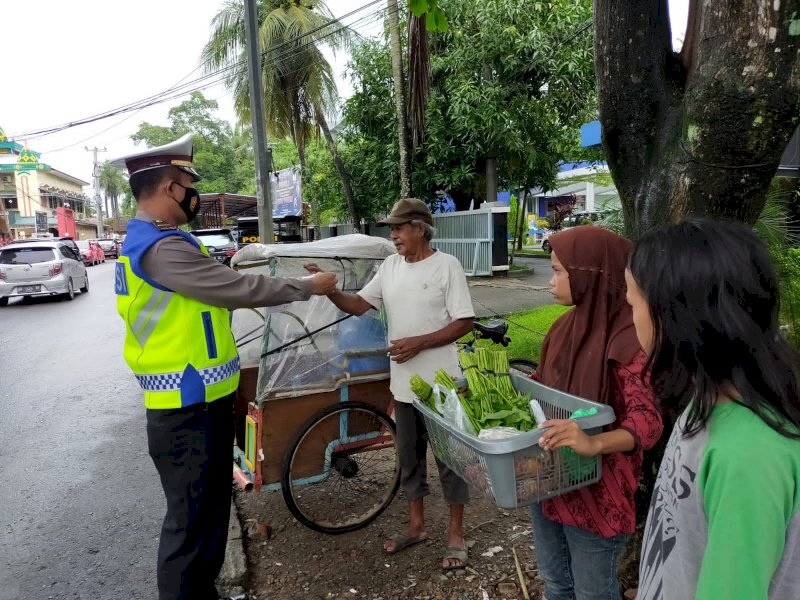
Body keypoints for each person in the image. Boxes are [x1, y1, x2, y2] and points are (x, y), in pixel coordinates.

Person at [110, 134, 337, 600]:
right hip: (186, 409)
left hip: (200, 402)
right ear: (171, 188)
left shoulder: (163, 241)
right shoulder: (161, 249)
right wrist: (310, 285)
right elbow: (238, 289)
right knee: (190, 527)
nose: (194, 194)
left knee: (210, 514)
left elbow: (207, 306)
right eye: (189, 184)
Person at [627, 218, 800, 600]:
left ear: (673, 317)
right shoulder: (704, 404)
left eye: (633, 304)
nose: (630, 320)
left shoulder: (748, 455)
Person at [305, 198, 475, 570]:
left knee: (450, 461)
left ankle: (456, 535)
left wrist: (420, 342)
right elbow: (358, 304)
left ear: (420, 228)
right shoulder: (390, 267)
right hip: (405, 388)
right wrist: (329, 290)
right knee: (409, 460)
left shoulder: (447, 266)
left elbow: (464, 322)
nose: (393, 235)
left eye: (399, 228)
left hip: (443, 387)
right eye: (392, 229)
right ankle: (417, 527)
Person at [530, 226, 663, 600]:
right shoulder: (561, 328)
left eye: (558, 271)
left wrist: (591, 442)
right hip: (550, 479)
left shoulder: (629, 339)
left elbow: (647, 423)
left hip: (598, 491)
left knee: (592, 592)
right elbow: (541, 384)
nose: (551, 281)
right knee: (555, 582)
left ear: (590, 273)